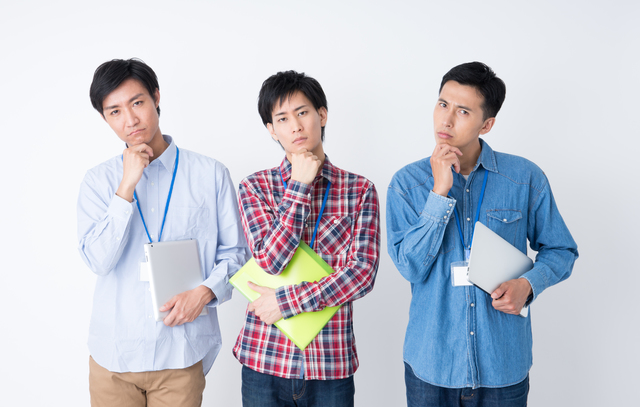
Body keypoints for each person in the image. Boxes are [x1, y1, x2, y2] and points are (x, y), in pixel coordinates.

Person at [386, 62, 578, 406]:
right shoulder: (407, 184)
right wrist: (439, 194)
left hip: (502, 363)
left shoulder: (524, 177)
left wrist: (528, 285)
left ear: (486, 124)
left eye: (463, 111)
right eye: (442, 104)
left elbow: (561, 249)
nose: (446, 120)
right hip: (432, 365)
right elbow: (409, 267)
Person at [77, 58, 249, 406]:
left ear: (156, 97)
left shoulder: (210, 174)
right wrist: (125, 187)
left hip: (181, 352)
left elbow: (236, 254)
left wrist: (204, 292)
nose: (130, 120)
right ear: (104, 118)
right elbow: (98, 261)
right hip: (114, 356)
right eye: (115, 111)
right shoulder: (98, 181)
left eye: (137, 102)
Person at [233, 70, 380, 407]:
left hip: (330, 363)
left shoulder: (359, 190)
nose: (296, 126)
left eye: (302, 112)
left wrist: (286, 302)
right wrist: (299, 187)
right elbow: (270, 261)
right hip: (265, 359)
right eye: (283, 119)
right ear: (272, 130)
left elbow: (361, 275)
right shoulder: (255, 186)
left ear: (322, 115)